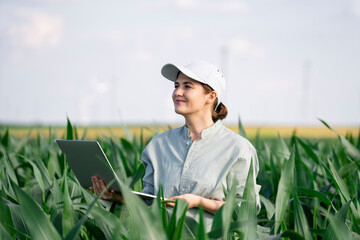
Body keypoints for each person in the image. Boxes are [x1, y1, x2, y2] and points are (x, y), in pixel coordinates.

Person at [91, 60, 261, 229]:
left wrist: (199, 202)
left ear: (211, 96)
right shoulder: (158, 144)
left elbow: (247, 209)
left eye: (187, 86)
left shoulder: (238, 148)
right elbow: (150, 201)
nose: (177, 92)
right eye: (176, 86)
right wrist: (120, 197)